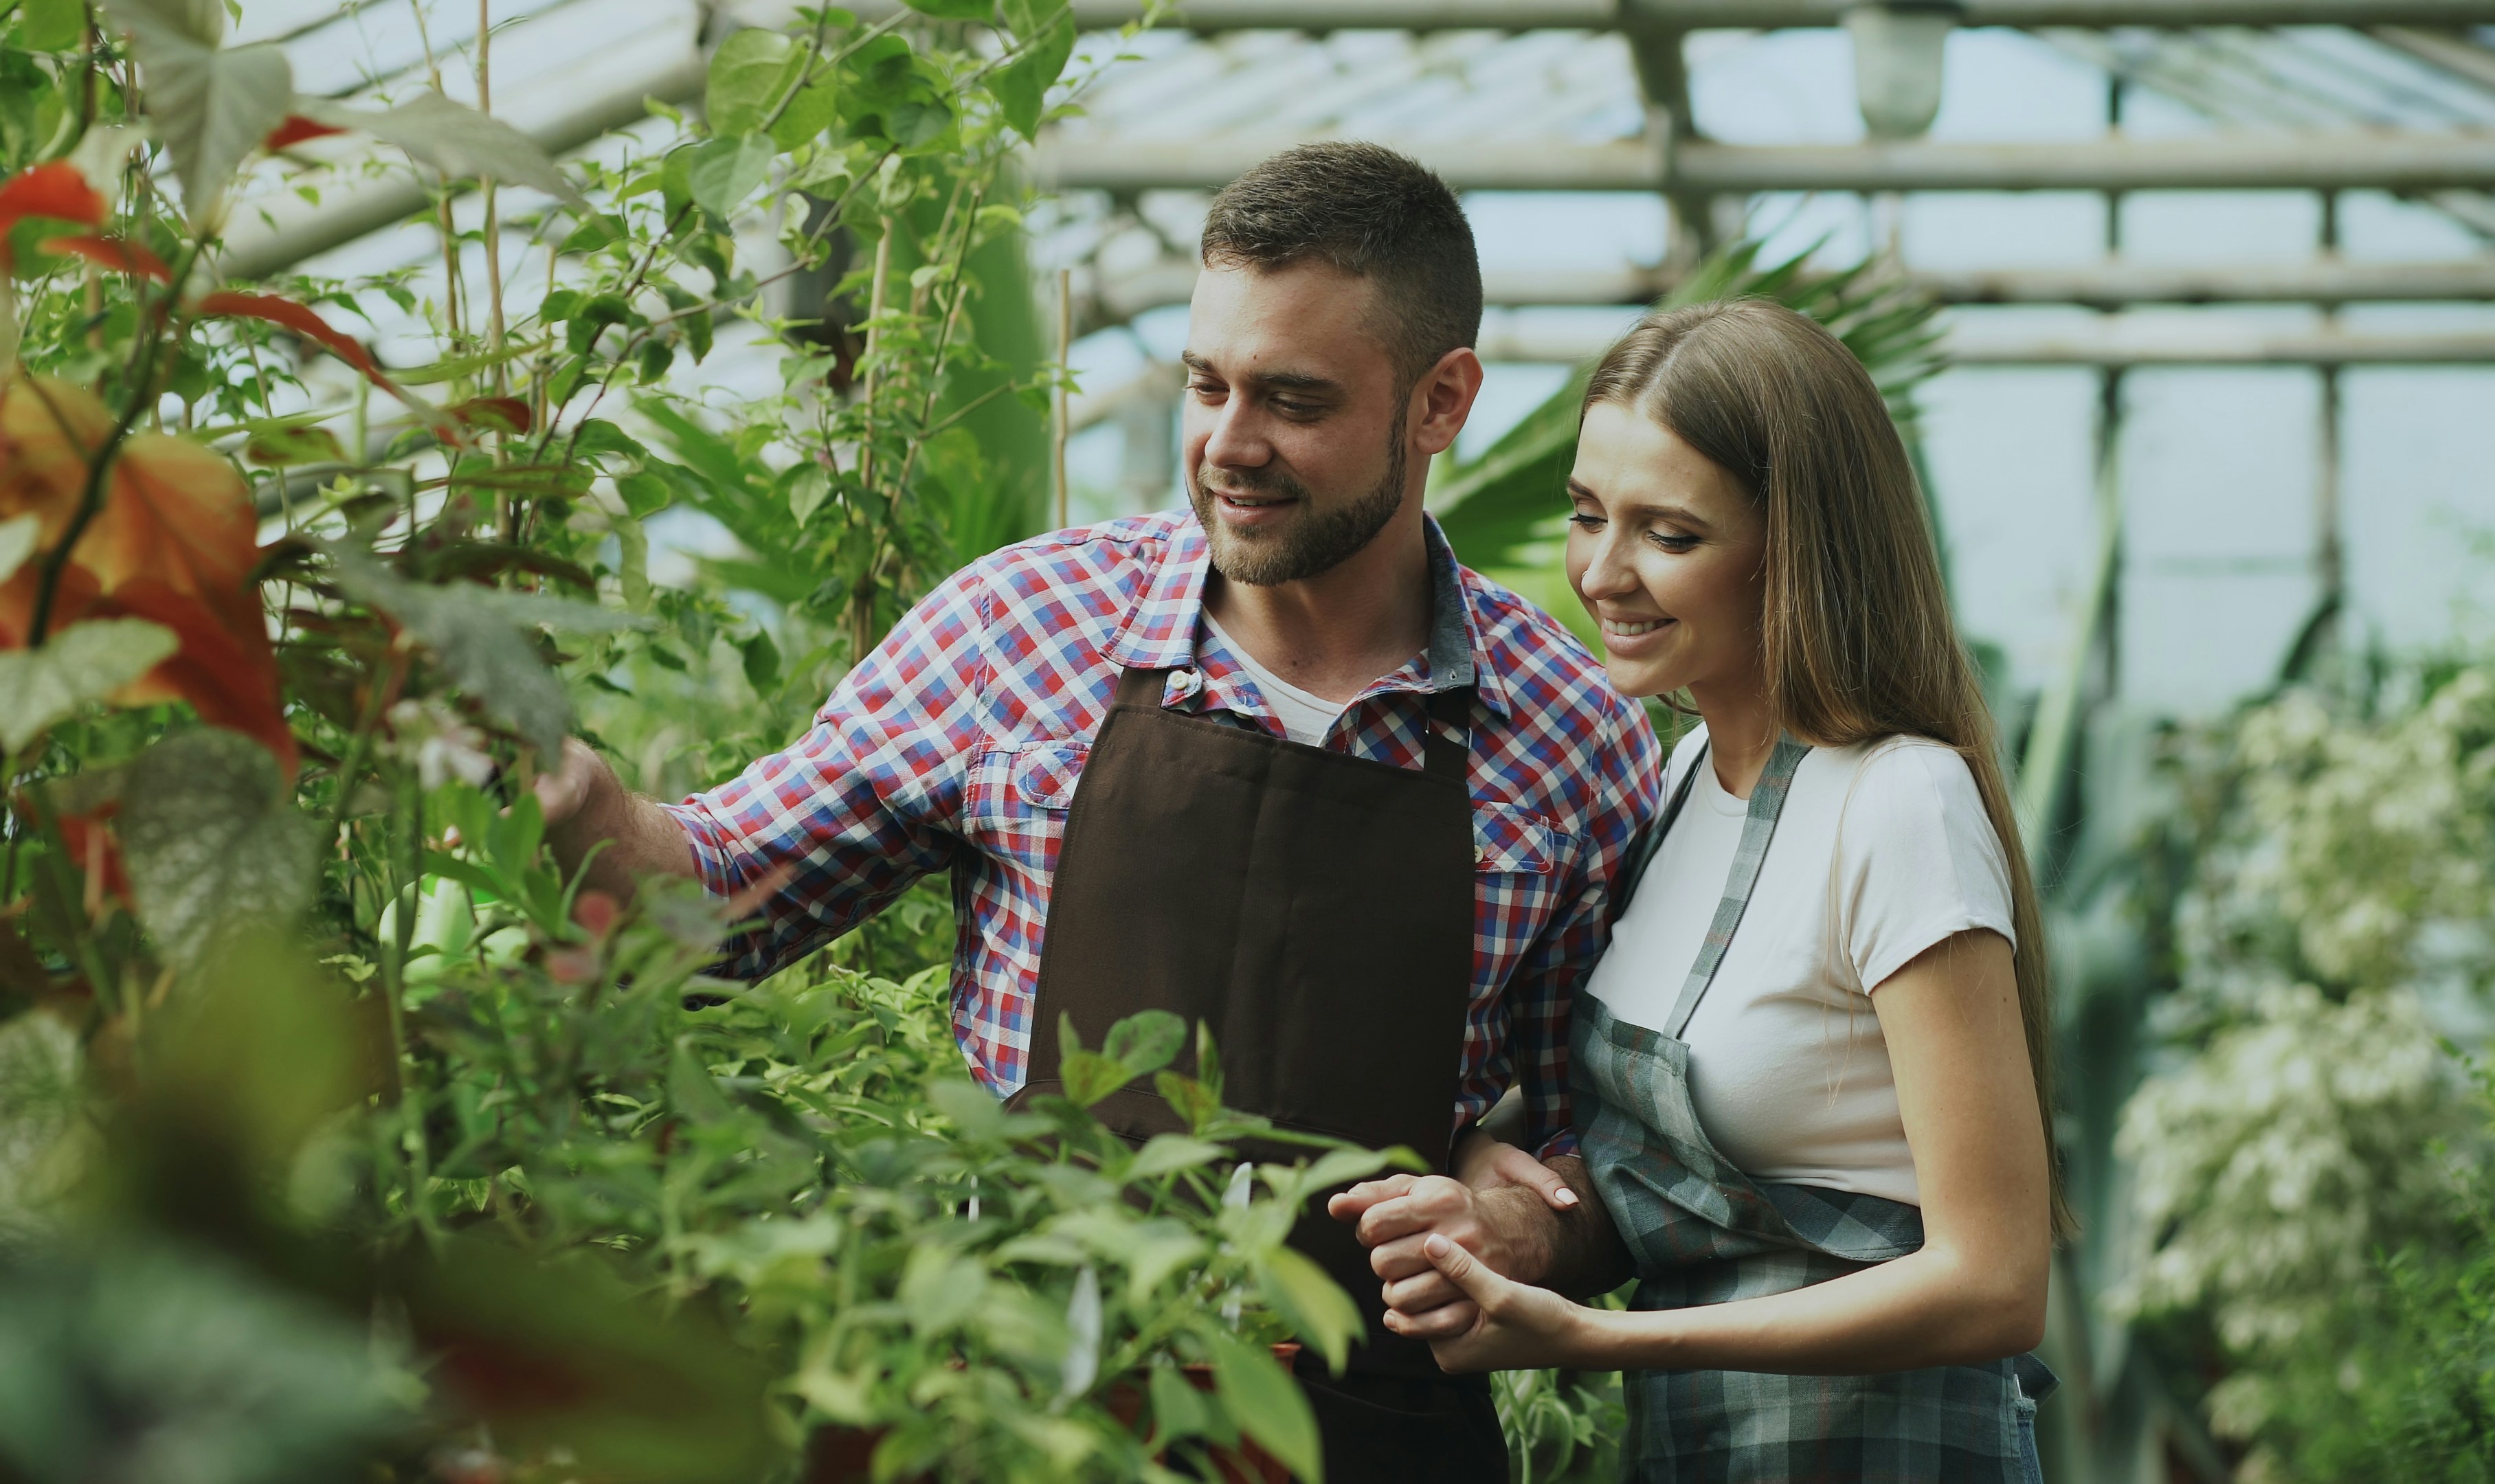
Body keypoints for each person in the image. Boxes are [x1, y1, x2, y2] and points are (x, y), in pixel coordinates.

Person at [530, 141, 1661, 1481]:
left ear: (1442, 401)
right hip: (1015, 1422)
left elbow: (1623, 1140)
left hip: (1371, 1436)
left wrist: (1543, 1225)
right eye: (1205, 384)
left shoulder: (1570, 741)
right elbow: (716, 905)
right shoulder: (1025, 630)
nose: (1229, 444)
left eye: (1293, 400)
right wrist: (578, 797)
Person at [1334, 299, 2066, 1482]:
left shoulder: (1898, 803)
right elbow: (1637, 1144)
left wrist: (1604, 1336)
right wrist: (1480, 1161)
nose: (1602, 573)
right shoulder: (1678, 786)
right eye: (1587, 515)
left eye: (1668, 534)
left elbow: (1994, 1281)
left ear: (1799, 547)